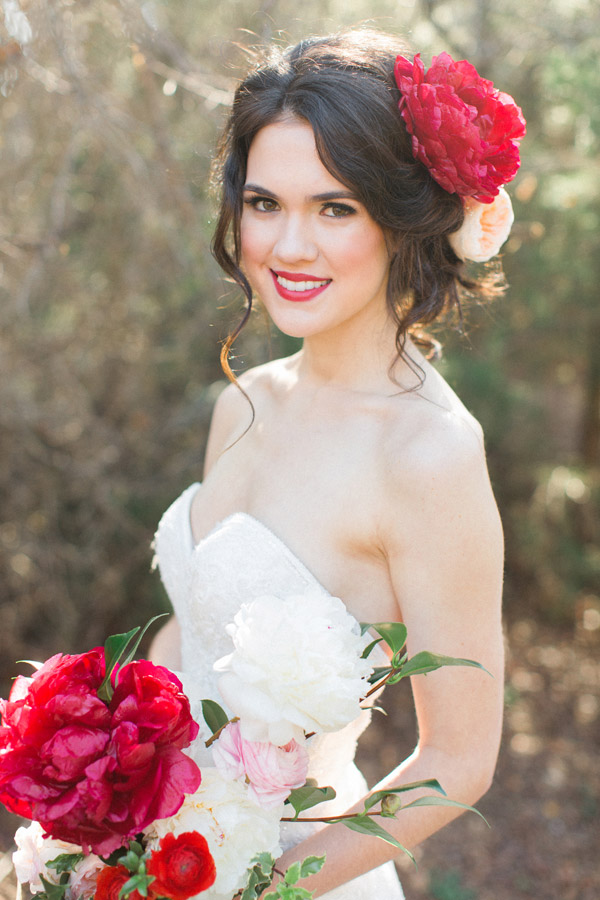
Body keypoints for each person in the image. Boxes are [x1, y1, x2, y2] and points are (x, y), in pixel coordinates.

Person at [149, 29, 525, 899]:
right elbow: (196, 628)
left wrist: (257, 888)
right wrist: (101, 770)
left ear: (402, 217)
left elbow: (459, 761)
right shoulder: (240, 403)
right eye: (263, 202)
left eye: (334, 208)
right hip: (157, 854)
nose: (287, 247)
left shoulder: (430, 455)